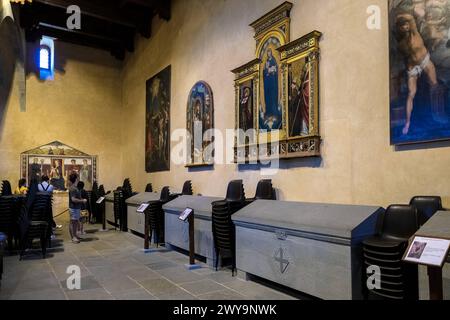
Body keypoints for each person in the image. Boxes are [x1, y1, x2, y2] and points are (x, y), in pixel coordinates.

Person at [395, 11, 440, 135]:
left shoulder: (415, 32)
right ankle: (407, 122)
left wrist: (399, 17)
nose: (405, 27)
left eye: (406, 25)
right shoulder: (401, 44)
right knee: (411, 93)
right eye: (402, 26)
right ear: (400, 28)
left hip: (425, 61)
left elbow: (409, 17)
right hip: (413, 67)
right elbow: (405, 58)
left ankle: (438, 114)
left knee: (434, 86)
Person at [262, 48, 280, 130]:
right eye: (267, 52)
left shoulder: (273, 60)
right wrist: (266, 71)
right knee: (268, 97)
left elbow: (275, 69)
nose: (268, 53)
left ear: (271, 53)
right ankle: (268, 113)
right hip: (267, 83)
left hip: (272, 82)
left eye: (269, 52)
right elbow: (264, 72)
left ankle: (274, 113)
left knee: (273, 97)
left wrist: (271, 70)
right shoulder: (266, 62)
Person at [68, 173, 87, 244]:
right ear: (76, 179)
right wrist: (82, 200)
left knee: (75, 223)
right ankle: (73, 237)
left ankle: (75, 235)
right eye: (78, 177)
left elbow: (77, 197)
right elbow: (73, 199)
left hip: (76, 208)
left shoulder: (75, 187)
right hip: (73, 208)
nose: (79, 178)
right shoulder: (73, 188)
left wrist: (81, 199)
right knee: (72, 223)